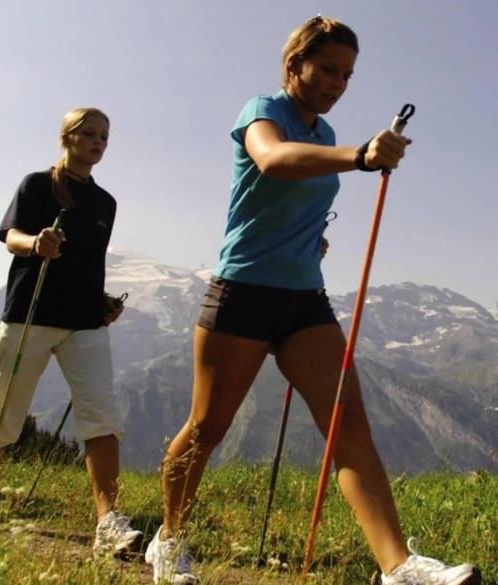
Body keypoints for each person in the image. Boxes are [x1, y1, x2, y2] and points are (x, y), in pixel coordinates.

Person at [145, 16, 481, 585]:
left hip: (303, 299)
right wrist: (361, 157)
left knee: (349, 427)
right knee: (208, 427)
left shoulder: (324, 135)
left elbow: (294, 189)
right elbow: (274, 160)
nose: (337, 84)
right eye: (328, 69)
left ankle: (397, 567)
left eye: (347, 75)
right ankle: (169, 538)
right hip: (243, 292)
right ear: (295, 62)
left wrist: (309, 236)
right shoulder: (262, 110)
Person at [0, 107, 142, 558]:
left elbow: (89, 263)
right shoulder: (38, 185)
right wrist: (35, 243)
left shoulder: (106, 203)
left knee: (101, 417)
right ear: (68, 137)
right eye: (90, 133)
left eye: (105, 136)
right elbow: (10, 235)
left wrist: (101, 304)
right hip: (30, 314)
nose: (99, 142)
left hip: (84, 323)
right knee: (2, 412)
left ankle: (108, 522)